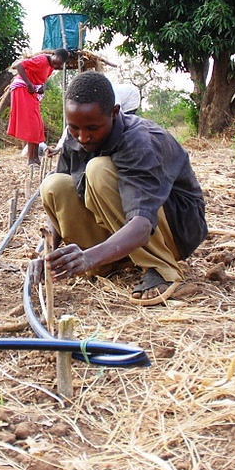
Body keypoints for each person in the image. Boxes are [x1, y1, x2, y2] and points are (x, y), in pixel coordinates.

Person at [39, 71, 208, 306]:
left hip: (175, 227)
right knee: (54, 184)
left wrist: (86, 258)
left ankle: (162, 267)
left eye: (92, 128)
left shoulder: (140, 141)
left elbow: (142, 222)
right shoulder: (74, 137)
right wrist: (48, 255)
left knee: (98, 171)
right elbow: (57, 206)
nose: (83, 137)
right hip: (122, 230)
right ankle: (108, 262)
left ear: (115, 113)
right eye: (74, 127)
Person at [6, 48, 68, 165]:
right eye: (55, 62)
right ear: (53, 55)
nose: (55, 65)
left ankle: (35, 158)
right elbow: (19, 66)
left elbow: (42, 80)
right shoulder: (42, 60)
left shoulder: (50, 67)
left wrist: (42, 88)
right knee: (32, 124)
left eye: (58, 65)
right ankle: (31, 159)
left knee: (37, 125)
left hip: (31, 92)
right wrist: (29, 84)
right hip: (22, 89)